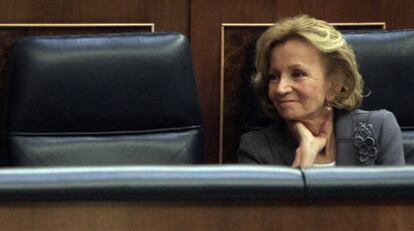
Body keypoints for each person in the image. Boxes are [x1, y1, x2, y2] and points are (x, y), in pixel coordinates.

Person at [238, 15, 405, 167]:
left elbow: (397, 201)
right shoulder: (256, 149)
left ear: (335, 83)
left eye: (297, 74)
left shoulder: (379, 129)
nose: (280, 88)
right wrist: (302, 167)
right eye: (273, 76)